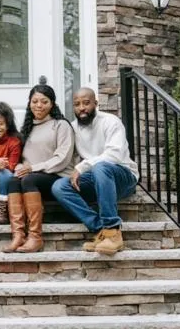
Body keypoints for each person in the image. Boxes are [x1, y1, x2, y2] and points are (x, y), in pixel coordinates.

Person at [51, 87, 138, 255]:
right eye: (77, 104)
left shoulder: (110, 121)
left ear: (96, 104)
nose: (81, 108)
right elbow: (72, 159)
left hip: (123, 177)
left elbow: (114, 154)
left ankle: (112, 228)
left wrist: (82, 167)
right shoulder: (73, 128)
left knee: (101, 167)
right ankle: (101, 231)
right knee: (59, 186)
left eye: (86, 103)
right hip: (96, 179)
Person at [3, 83, 75, 253]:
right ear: (29, 103)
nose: (39, 105)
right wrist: (21, 166)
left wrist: (32, 168)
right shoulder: (28, 128)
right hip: (34, 178)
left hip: (57, 176)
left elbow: (63, 158)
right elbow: (24, 159)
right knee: (13, 182)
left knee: (29, 178)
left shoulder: (61, 125)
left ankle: (35, 237)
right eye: (34, 101)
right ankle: (18, 235)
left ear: (52, 104)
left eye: (44, 101)